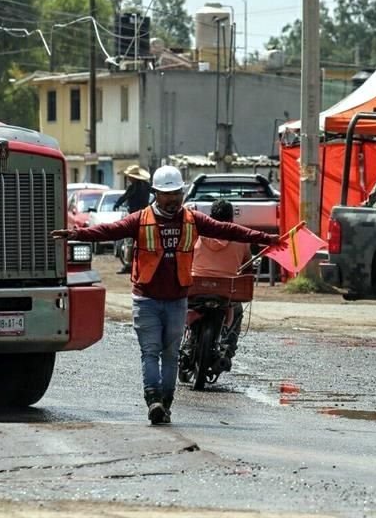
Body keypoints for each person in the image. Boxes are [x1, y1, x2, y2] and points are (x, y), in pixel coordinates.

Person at [51, 165, 277, 426]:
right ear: (156, 194)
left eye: (177, 194)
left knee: (170, 355)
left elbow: (228, 230)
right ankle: (153, 401)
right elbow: (109, 231)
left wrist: (265, 238)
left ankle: (165, 404)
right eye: (167, 194)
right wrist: (77, 234)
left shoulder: (193, 219)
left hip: (177, 300)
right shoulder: (140, 219)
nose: (173, 199)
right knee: (150, 352)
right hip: (146, 299)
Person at [190, 199, 252, 363]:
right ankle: (228, 350)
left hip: (196, 288)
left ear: (210, 217)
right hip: (226, 291)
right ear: (232, 219)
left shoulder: (197, 234)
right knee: (237, 310)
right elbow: (247, 267)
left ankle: (185, 340)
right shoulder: (241, 238)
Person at [113, 165, 152, 274]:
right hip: (145, 215)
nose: (129, 178)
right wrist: (151, 205)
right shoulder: (147, 186)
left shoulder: (133, 187)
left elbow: (124, 197)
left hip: (134, 217)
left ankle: (128, 265)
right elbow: (157, 194)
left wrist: (116, 204)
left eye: (130, 176)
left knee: (129, 241)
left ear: (134, 177)